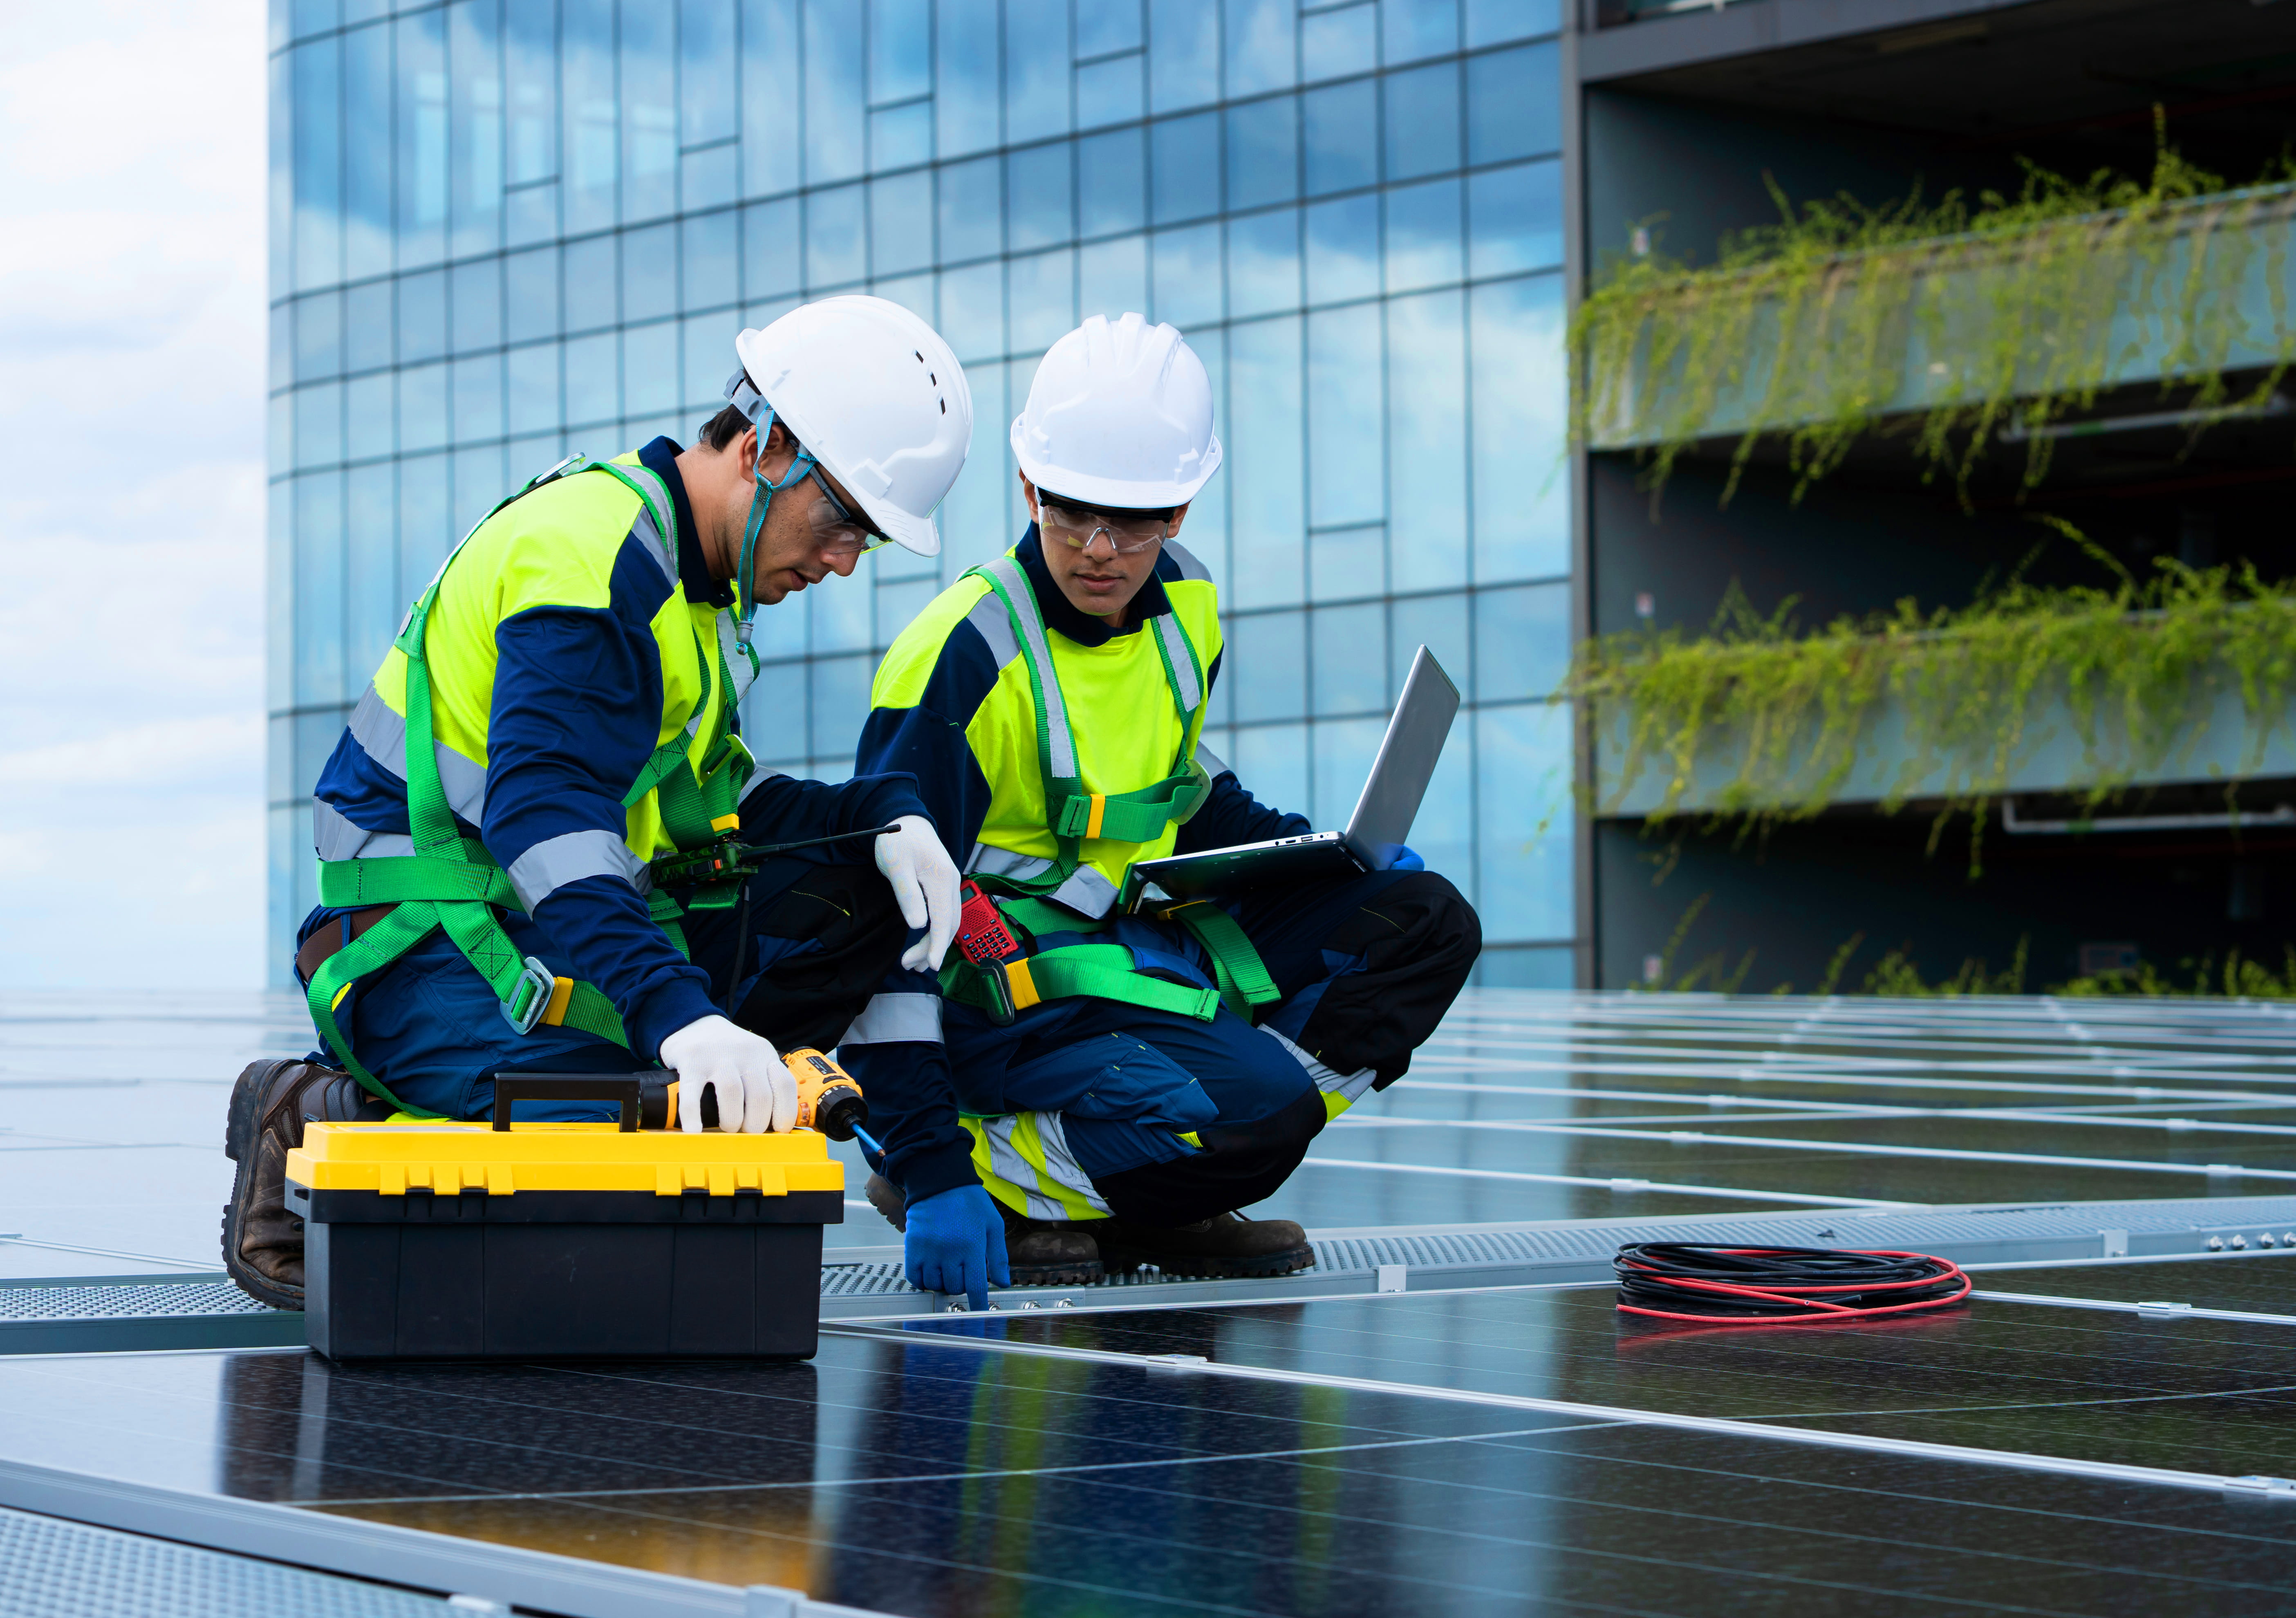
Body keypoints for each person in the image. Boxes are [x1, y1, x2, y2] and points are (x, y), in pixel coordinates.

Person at [222, 297, 973, 1311]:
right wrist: (681, 1018)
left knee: (857, 888)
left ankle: (648, 1084)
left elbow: (719, 820)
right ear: (768, 447)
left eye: (867, 541)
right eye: (842, 519)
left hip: (540, 928)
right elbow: (547, 821)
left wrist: (883, 815)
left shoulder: (698, 598)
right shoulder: (591, 555)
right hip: (415, 946)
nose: (843, 559)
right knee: (611, 1137)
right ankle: (314, 1112)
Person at [841, 312, 1482, 1310]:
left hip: (1142, 935)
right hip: (1000, 984)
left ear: (1182, 508)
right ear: (1028, 488)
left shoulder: (1188, 604)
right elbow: (884, 934)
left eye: (1136, 521)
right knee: (1261, 1111)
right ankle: (1015, 1171)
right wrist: (932, 1166)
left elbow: (1189, 793)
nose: (1101, 551)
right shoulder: (962, 656)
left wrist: (1326, 859)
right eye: (1072, 514)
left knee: (1423, 925)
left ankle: (1160, 1170)